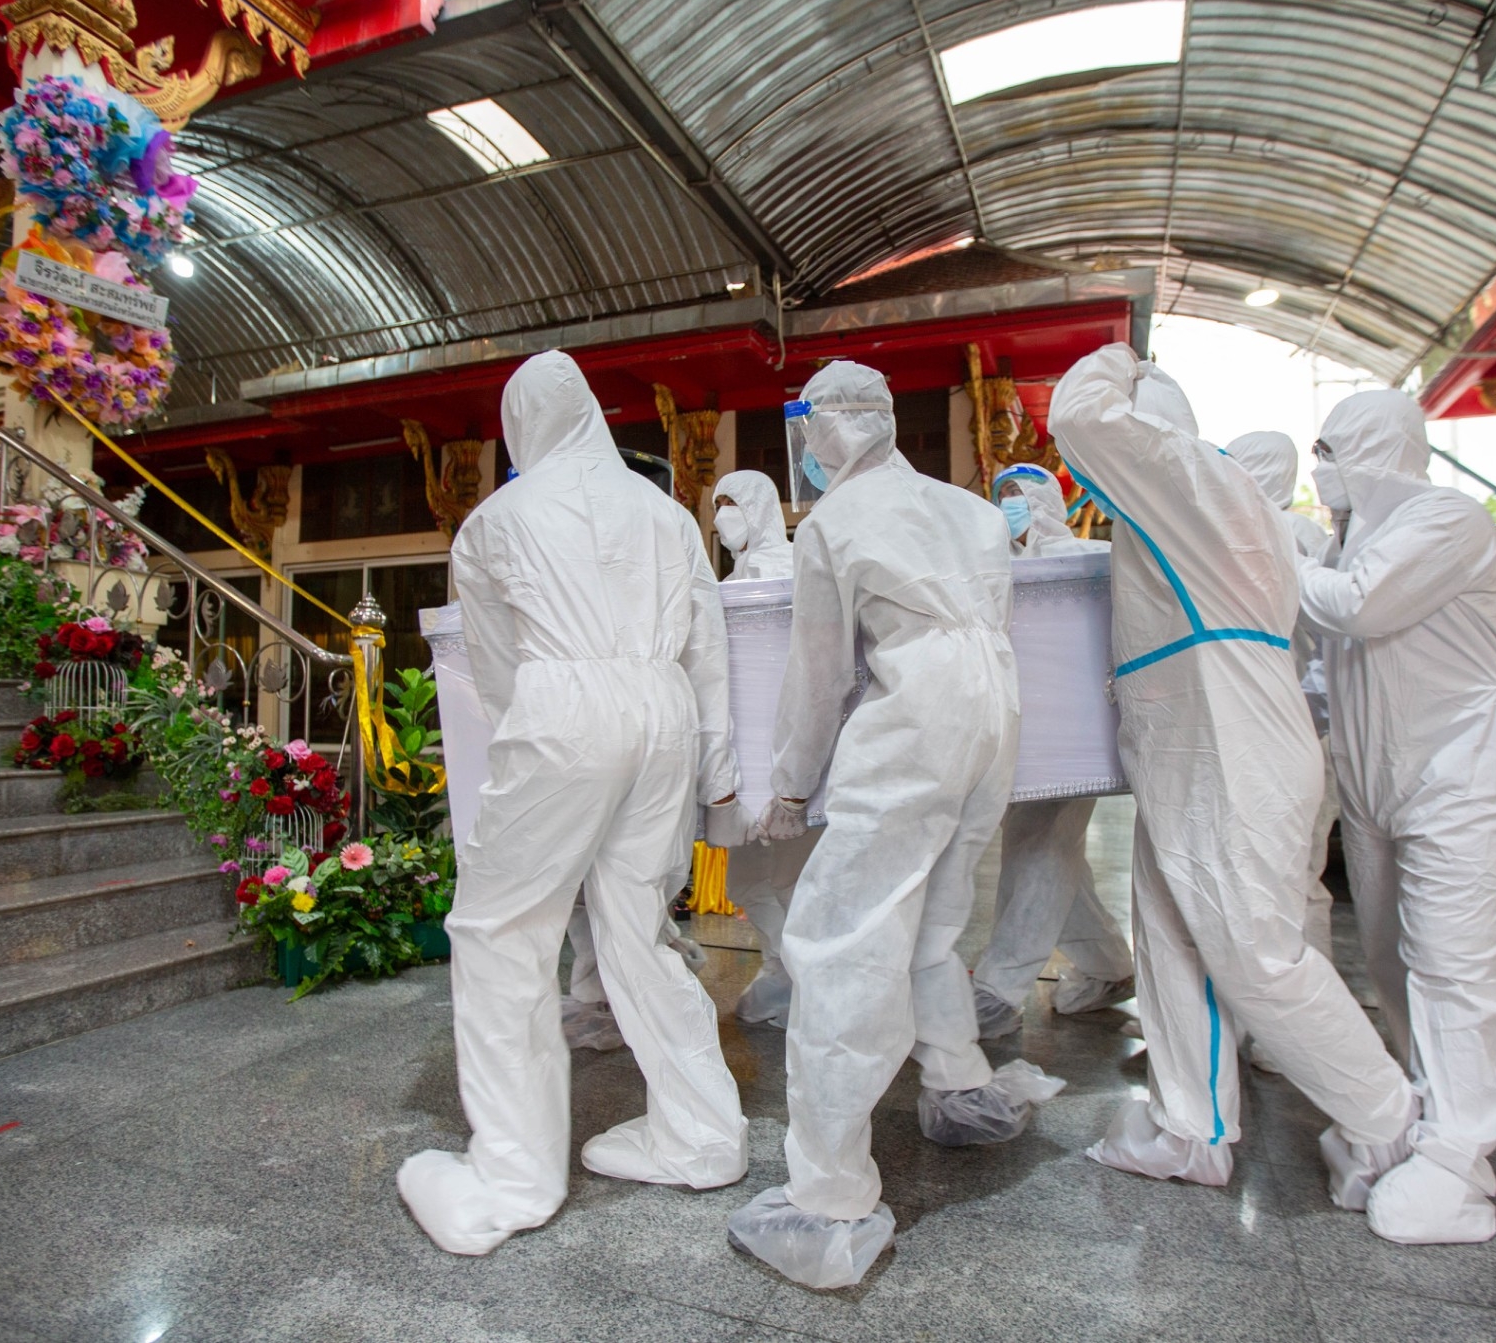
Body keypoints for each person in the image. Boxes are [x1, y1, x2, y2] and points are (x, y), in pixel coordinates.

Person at [1047, 343, 1416, 1202]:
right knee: (1173, 937)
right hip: (1192, 738)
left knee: (1254, 951)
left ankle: (1391, 1119)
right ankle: (1192, 1128)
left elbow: (1080, 414)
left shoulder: (1185, 474)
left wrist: (1118, 361)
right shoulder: (1196, 498)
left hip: (1228, 737)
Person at [399, 350, 748, 1257]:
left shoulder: (495, 520)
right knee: (639, 930)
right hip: (664, 707)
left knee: (502, 929)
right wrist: (715, 764)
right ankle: (703, 1133)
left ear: (520, 425)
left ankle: (513, 1175)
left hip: (563, 708)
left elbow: (498, 666)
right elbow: (708, 645)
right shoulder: (667, 513)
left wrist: (541, 741)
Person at [727, 361, 1061, 1290]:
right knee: (933, 922)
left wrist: (790, 783)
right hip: (994, 713)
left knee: (842, 938)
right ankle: (957, 1084)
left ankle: (828, 1197)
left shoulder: (832, 521)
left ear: (828, 431)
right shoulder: (971, 510)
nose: (807, 451)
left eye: (807, 433)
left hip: (915, 715)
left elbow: (819, 670)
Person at [1298, 389, 1496, 1245]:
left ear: (1376, 448)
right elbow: (1327, 672)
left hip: (1464, 761)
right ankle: (1420, 1114)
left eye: (1332, 451)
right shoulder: (1343, 545)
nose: (1321, 469)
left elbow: (1362, 606)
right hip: (1378, 776)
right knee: (1388, 955)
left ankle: (1461, 1158)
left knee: (1452, 961)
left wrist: (1271, 554)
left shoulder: (1448, 518)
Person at [972, 463, 1135, 1038]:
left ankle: (999, 987)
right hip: (1018, 730)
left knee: (1039, 847)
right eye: (1003, 495)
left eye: (1020, 494)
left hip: (1077, 736)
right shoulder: (992, 567)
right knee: (1051, 850)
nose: (1010, 504)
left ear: (1047, 499)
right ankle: (1110, 968)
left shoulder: (1092, 559)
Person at [1224, 431, 1338, 963]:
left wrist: (1309, 713)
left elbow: (1328, 638)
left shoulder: (1295, 535)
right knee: (1270, 871)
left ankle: (1304, 990)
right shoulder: (1248, 534)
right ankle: (1278, 990)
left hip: (1294, 727)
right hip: (1274, 727)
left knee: (1291, 871)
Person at [710, 469, 810, 1026]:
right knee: (746, 880)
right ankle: (785, 971)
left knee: (794, 880)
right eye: (717, 505)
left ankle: (813, 983)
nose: (722, 516)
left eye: (732, 503)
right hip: (744, 758)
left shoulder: (790, 568)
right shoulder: (730, 580)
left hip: (787, 752)